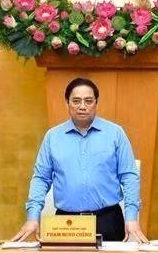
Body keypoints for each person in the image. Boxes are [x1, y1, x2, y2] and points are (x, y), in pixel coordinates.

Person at [11, 77, 147, 243]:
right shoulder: (53, 137)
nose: (82, 106)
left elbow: (129, 176)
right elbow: (41, 178)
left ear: (96, 103)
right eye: (76, 101)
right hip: (66, 223)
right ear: (67, 103)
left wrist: (131, 218)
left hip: (107, 220)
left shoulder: (115, 133)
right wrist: (33, 217)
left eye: (88, 101)